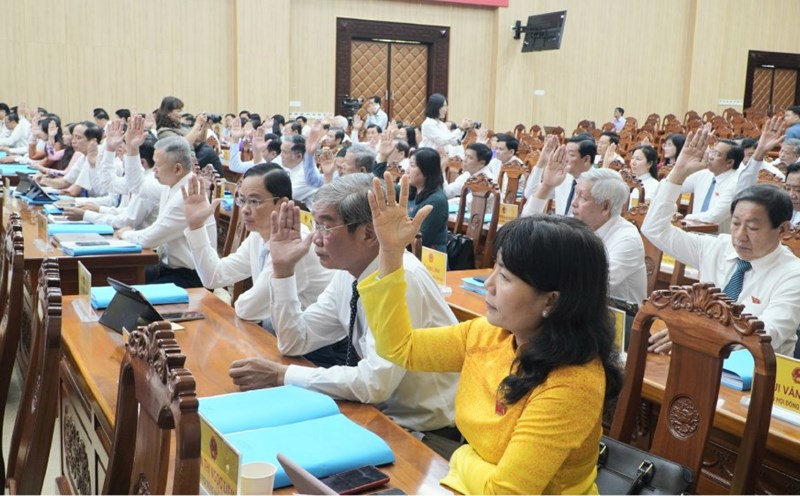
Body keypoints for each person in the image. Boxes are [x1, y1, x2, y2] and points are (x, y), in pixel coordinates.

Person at [359, 172, 622, 493]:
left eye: (506, 277)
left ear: (551, 300)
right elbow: (401, 348)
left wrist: (462, 457)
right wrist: (390, 252)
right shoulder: (491, 335)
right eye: (495, 268)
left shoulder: (572, 384)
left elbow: (505, 492)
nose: (489, 284)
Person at [228, 174, 459, 450]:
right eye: (315, 225)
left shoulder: (403, 279)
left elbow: (375, 382)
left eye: (326, 227)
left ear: (368, 234)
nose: (315, 238)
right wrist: (283, 270)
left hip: (425, 433)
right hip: (375, 414)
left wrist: (282, 375)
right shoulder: (347, 273)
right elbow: (294, 341)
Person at [642, 124, 800, 356]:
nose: (740, 236)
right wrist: (678, 173)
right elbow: (654, 229)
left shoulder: (793, 274)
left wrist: (694, 334)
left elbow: (765, 336)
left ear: (782, 229)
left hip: (752, 371)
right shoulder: (718, 247)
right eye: (735, 223)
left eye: (753, 227)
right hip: (698, 354)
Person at [182, 163, 331, 326]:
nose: (244, 210)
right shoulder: (258, 236)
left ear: (282, 203)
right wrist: (196, 226)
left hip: (309, 340)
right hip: (275, 331)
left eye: (254, 201)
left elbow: (248, 309)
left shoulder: (297, 246)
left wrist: (240, 301)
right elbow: (214, 276)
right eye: (242, 200)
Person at [522, 150, 647, 303]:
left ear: (605, 207)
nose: (574, 203)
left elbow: (588, 285)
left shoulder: (627, 240)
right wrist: (546, 186)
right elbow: (525, 234)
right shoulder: (575, 224)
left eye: (582, 197)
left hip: (613, 314)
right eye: (576, 194)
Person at [117, 136, 217, 288]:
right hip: (168, 269)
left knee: (132, 293)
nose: (154, 169)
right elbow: (136, 187)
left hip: (191, 277)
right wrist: (132, 149)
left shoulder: (186, 194)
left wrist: (125, 234)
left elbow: (149, 239)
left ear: (177, 169)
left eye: (158, 165)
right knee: (121, 278)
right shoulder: (170, 184)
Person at [679, 137, 744, 233]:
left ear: (729, 162)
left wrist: (686, 218)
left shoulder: (736, 183)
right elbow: (676, 186)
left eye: (717, 154)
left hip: (717, 238)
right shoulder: (703, 174)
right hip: (693, 233)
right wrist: (682, 166)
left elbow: (714, 217)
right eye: (712, 151)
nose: (710, 157)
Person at [522, 135, 596, 217]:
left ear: (586, 159)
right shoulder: (563, 177)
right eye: (565, 153)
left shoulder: (597, 184)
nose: (565, 158)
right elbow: (530, 193)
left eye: (571, 155)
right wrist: (541, 162)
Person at [407, 148, 448, 252]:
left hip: (428, 257)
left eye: (412, 166)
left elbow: (420, 240)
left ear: (427, 170)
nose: (407, 170)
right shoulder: (411, 190)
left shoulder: (437, 201)